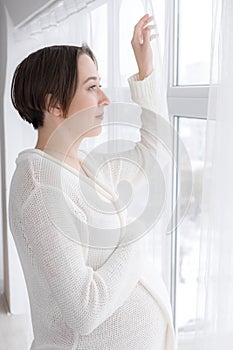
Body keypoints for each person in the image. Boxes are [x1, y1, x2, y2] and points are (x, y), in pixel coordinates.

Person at [9, 13, 175, 350]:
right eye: (92, 87)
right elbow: (85, 310)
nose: (105, 99)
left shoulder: (83, 167)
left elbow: (156, 153)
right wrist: (137, 234)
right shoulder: (40, 188)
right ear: (54, 103)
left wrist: (146, 72)